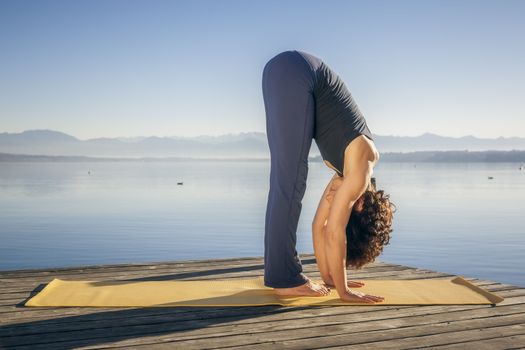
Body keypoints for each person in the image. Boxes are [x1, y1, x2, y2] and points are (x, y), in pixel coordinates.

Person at [262, 49, 395, 302]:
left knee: (285, 181)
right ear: (361, 203)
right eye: (344, 204)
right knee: (290, 181)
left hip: (280, 70)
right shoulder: (362, 168)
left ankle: (282, 274)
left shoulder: (343, 173)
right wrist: (345, 292)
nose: (334, 199)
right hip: (297, 72)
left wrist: (332, 278)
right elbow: (335, 231)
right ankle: (286, 278)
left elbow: (319, 226)